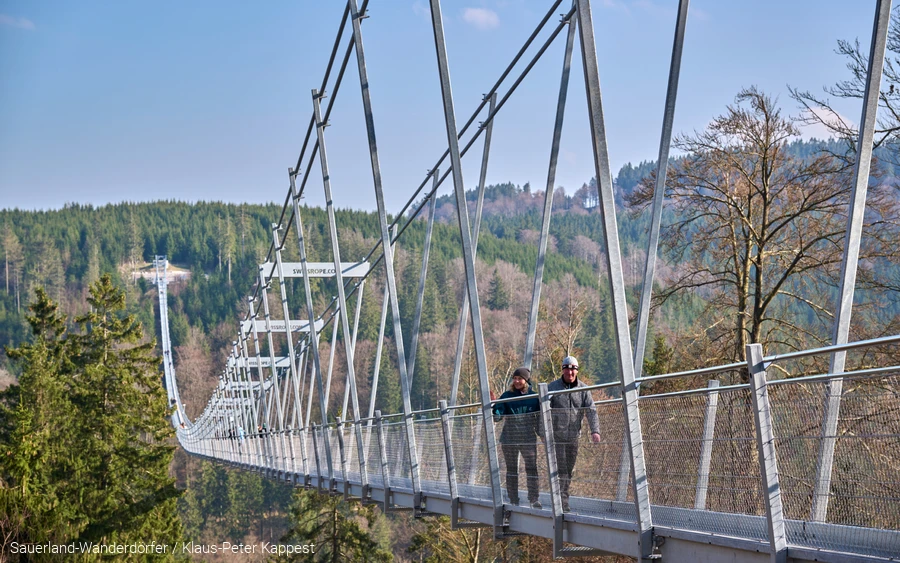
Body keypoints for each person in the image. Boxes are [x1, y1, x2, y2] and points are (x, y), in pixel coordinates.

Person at [547, 355, 600, 512]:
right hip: (556, 436)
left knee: (568, 469)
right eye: (567, 368)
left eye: (573, 369)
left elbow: (591, 411)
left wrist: (595, 431)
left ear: (577, 371)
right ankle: (562, 503)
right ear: (562, 369)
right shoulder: (552, 388)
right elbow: (542, 410)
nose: (570, 372)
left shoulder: (583, 389)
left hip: (573, 437)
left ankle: (561, 498)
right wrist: (544, 432)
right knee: (561, 469)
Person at [493, 367, 543, 509]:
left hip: (528, 438)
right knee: (511, 469)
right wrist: (494, 409)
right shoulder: (506, 396)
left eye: (519, 378)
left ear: (526, 380)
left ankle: (534, 499)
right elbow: (498, 415)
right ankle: (513, 499)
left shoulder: (533, 398)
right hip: (509, 438)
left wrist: (543, 435)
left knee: (532, 468)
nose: (516, 381)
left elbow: (540, 419)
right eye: (514, 378)